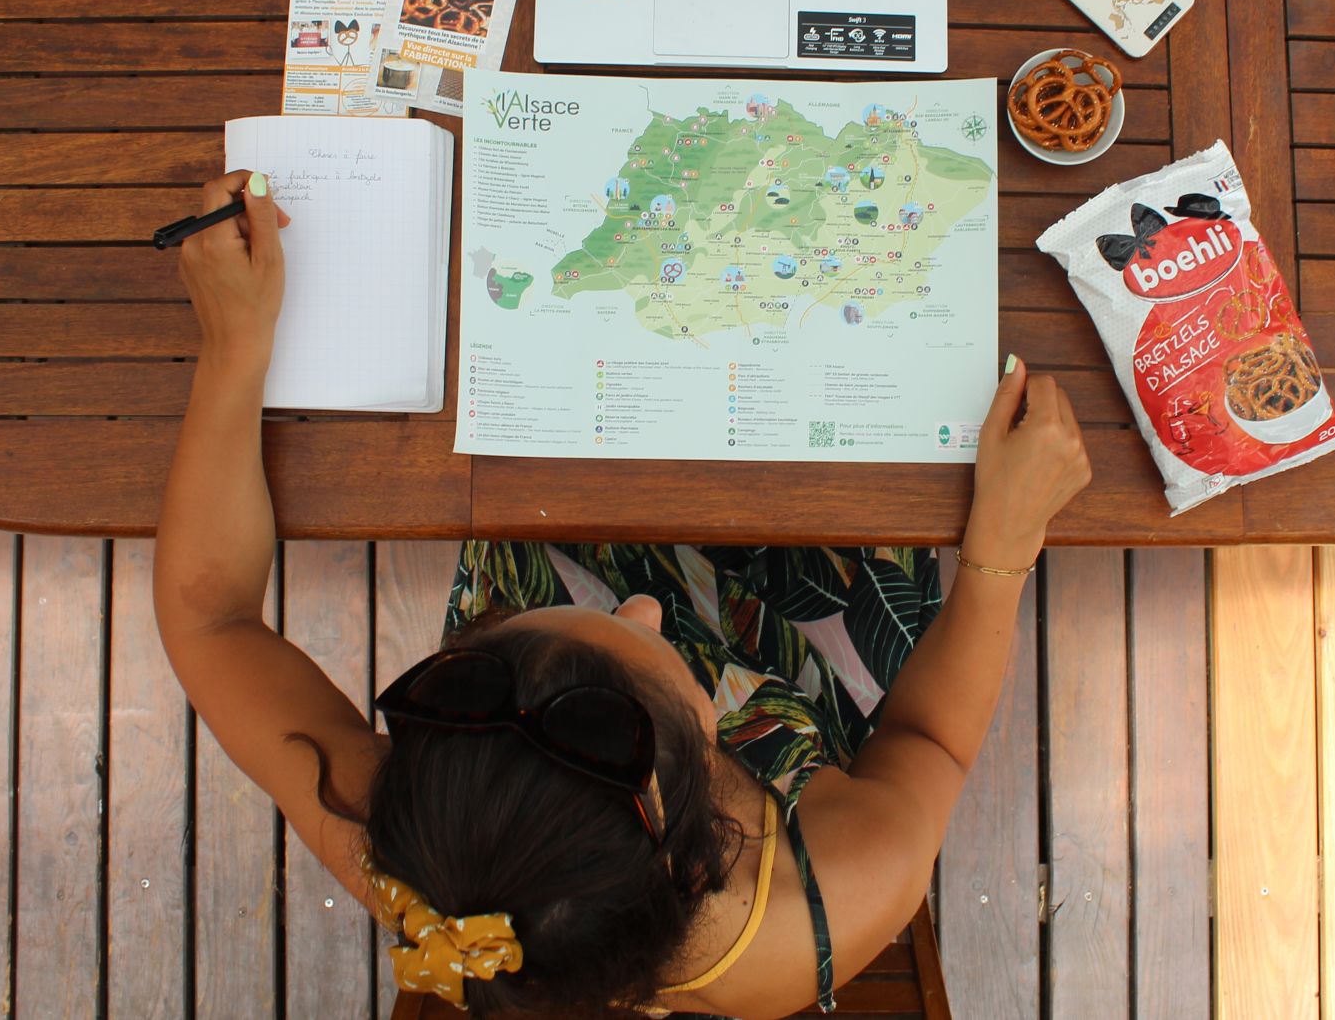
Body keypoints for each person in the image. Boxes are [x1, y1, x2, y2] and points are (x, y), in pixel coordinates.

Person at [155, 173, 1091, 1019]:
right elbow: (930, 740)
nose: (642, 605)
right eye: (664, 654)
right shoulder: (831, 898)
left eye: (525, 627)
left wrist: (233, 351)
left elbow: (210, 614)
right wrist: (1002, 549)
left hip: (564, 493)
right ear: (709, 808)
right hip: (806, 632)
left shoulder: (420, 838)